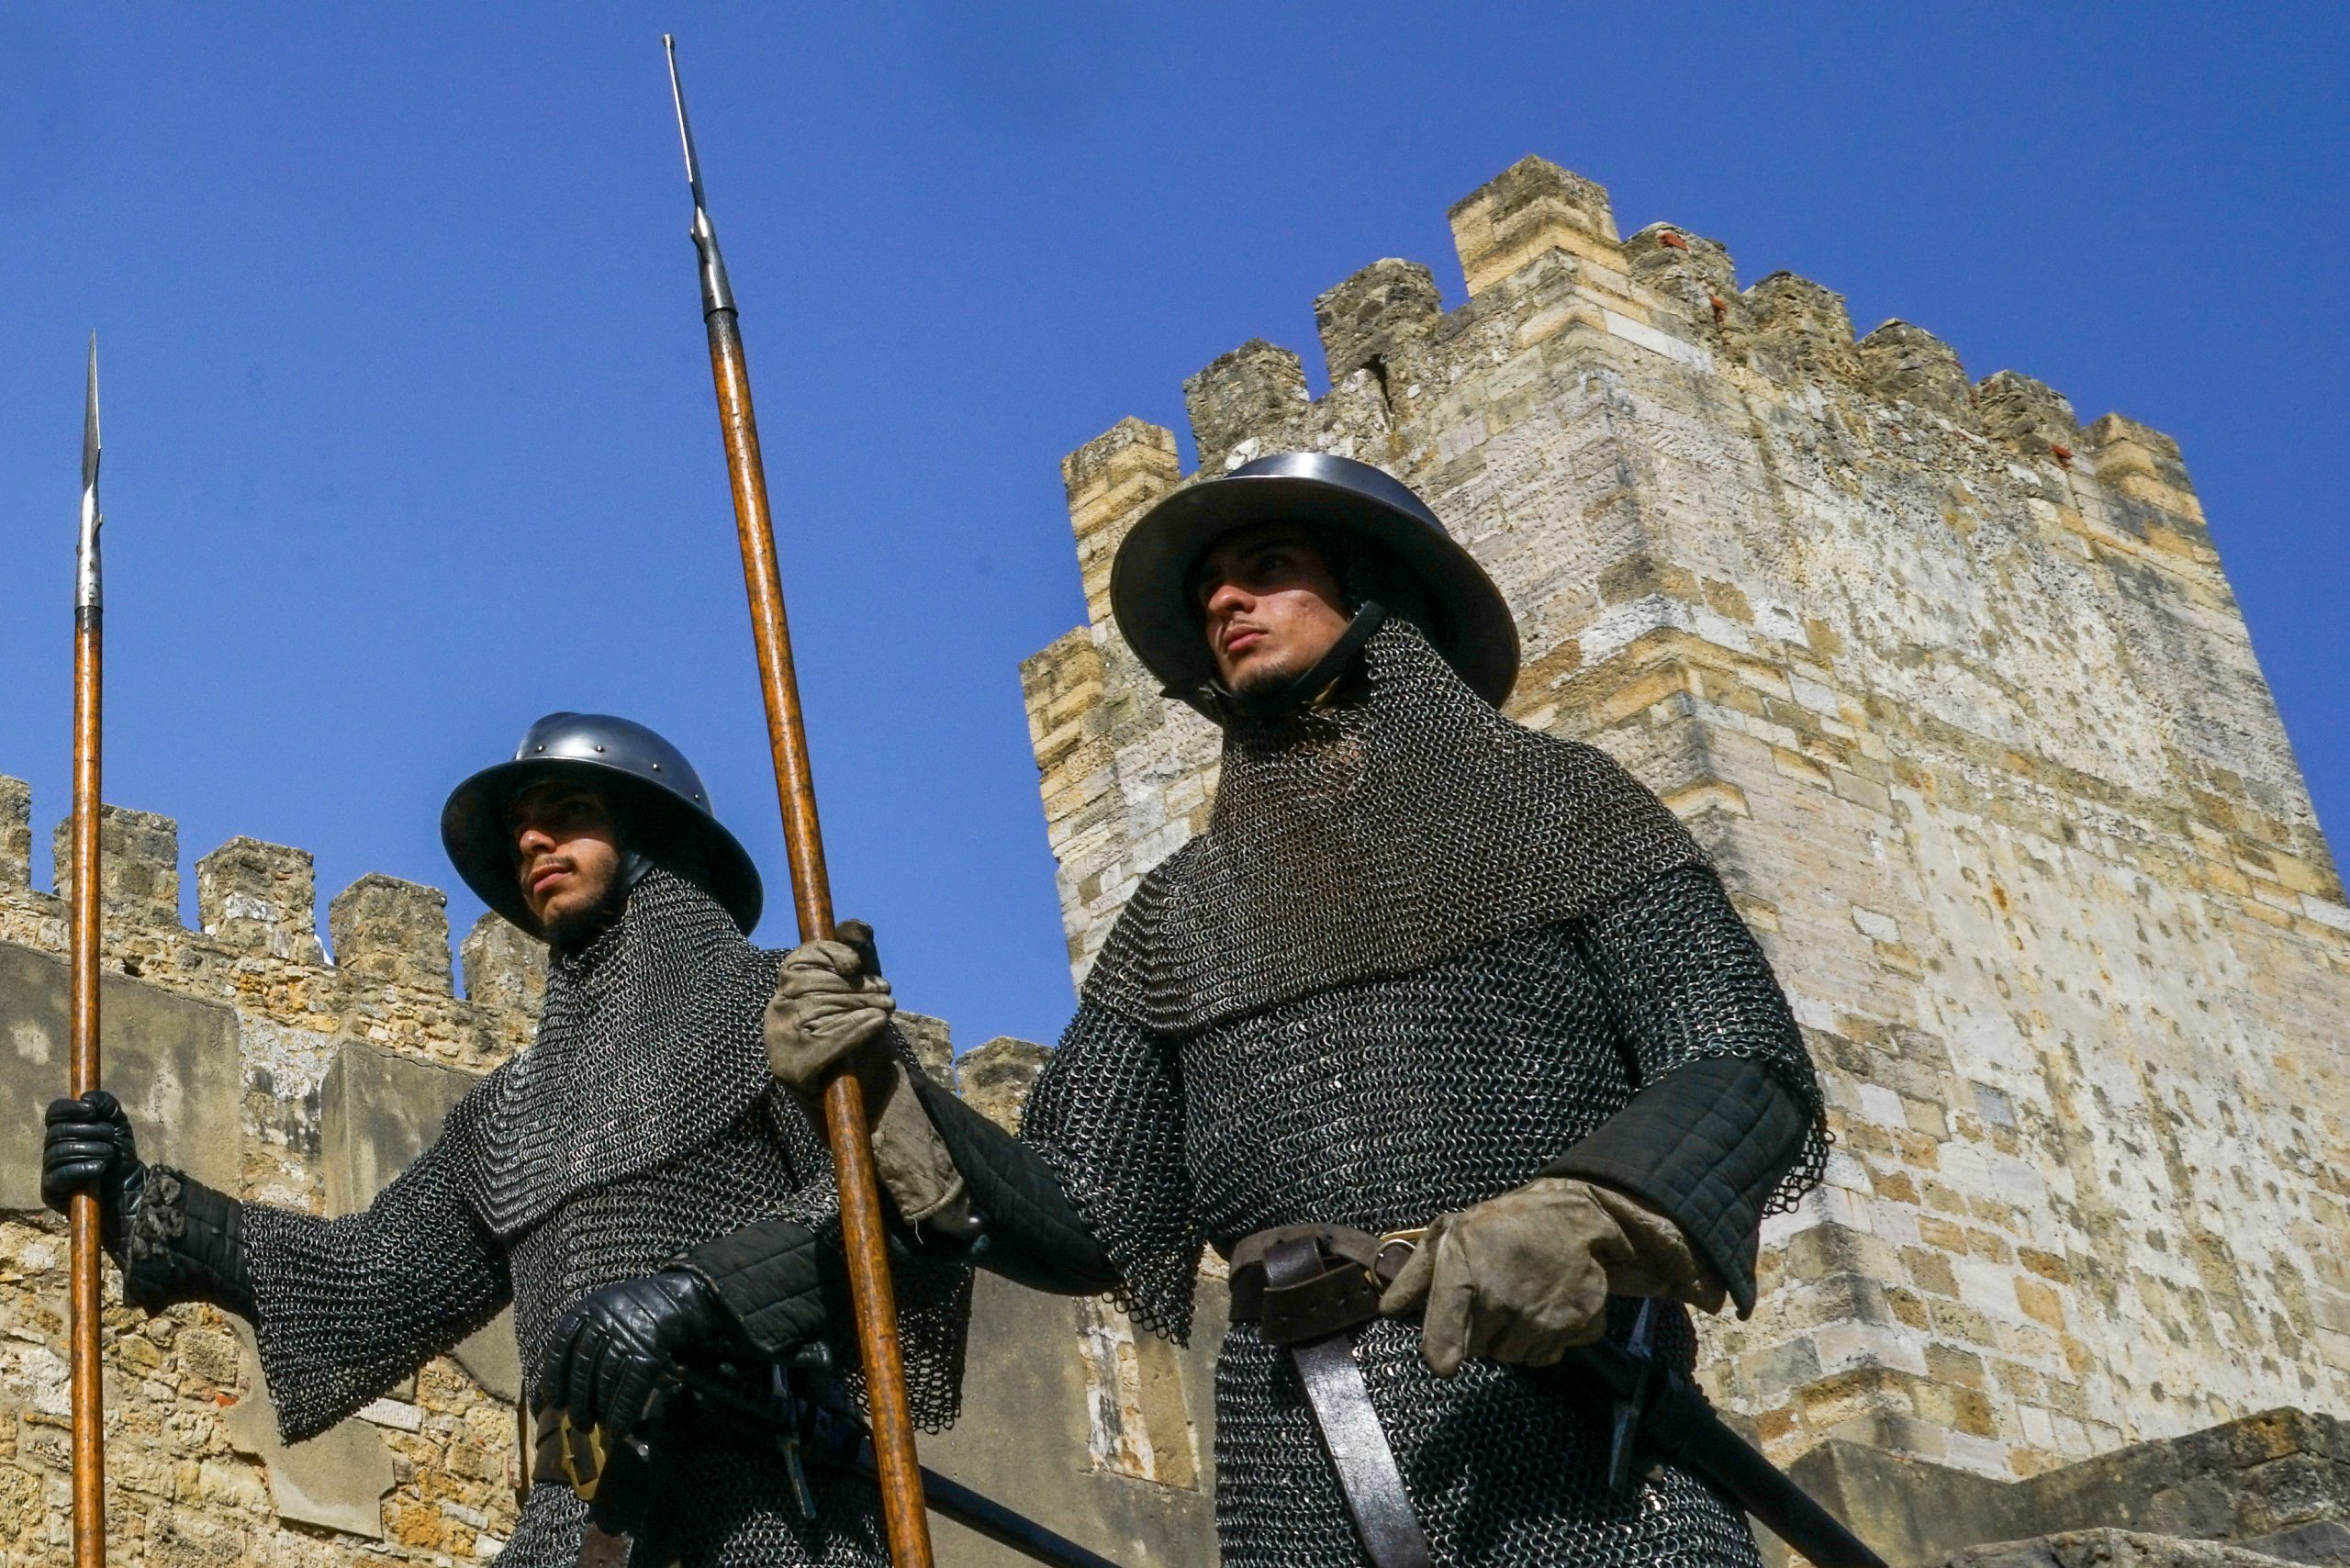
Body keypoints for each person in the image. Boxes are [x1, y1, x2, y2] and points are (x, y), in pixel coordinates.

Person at [766, 453, 1828, 1568]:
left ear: (1373, 588)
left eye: (1266, 568)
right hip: (1303, 1462)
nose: (1223, 601)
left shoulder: (1563, 807)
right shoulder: (1182, 915)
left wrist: (1587, 1216)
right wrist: (883, 1083)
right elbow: (1082, 1213)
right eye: (1209, 588)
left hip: (1576, 1440)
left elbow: (1740, 1064)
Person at [43, 714, 967, 1568]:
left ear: (655, 837)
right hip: (580, 1523)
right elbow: (370, 1278)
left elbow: (905, 1214)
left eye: (568, 813)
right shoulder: (512, 1112)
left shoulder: (779, 1008)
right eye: (522, 829)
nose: (533, 842)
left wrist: (700, 1298)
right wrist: (141, 1204)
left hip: (773, 1504)